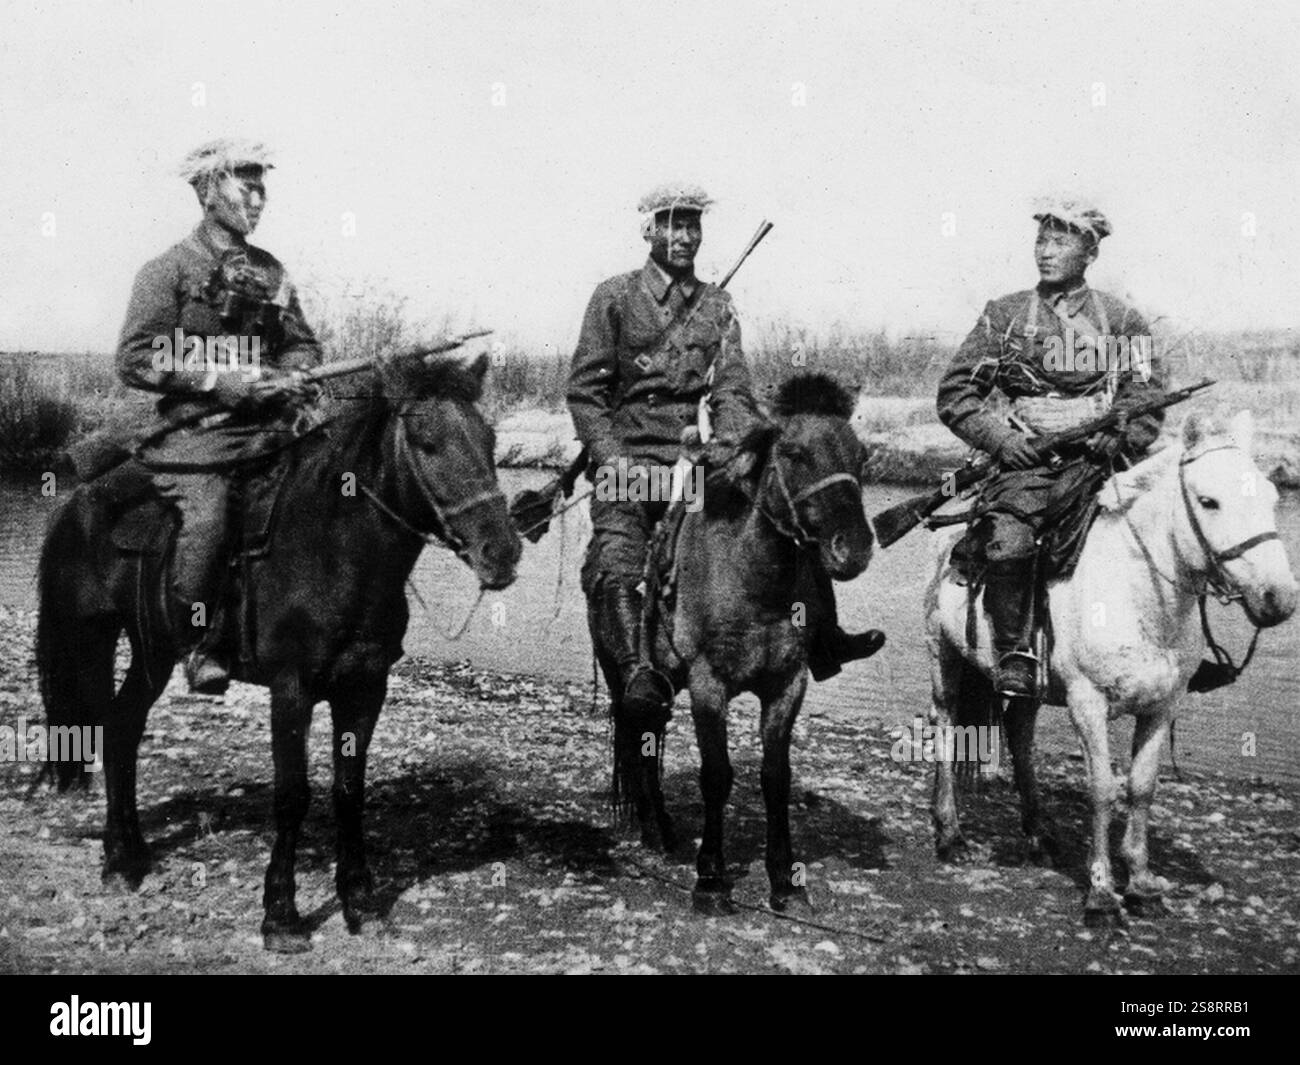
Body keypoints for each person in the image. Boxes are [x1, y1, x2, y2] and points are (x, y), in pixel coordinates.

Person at [567, 182, 883, 727]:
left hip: (698, 461)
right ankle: (638, 671)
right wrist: (613, 459)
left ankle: (823, 637)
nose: (685, 236)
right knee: (619, 555)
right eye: (672, 225)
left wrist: (745, 445)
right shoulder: (614, 298)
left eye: (693, 226)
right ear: (648, 230)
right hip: (629, 461)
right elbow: (586, 393)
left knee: (785, 516)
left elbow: (732, 390)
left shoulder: (717, 306)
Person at [936, 198, 1168, 697]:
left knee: (1180, 526)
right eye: (1041, 240)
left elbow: (1146, 395)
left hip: (1101, 461)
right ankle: (1014, 652)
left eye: (1060, 241)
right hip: (1028, 466)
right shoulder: (1006, 316)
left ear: (1090, 252)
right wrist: (1003, 440)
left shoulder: (1122, 319)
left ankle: (1179, 654)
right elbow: (956, 394)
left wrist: (1120, 433)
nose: (1045, 251)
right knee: (1011, 538)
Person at [116, 138, 323, 694]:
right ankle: (198, 641)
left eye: (263, 190)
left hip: (269, 429)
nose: (258, 200)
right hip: (196, 437)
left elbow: (302, 343)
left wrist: (296, 370)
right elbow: (135, 358)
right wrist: (216, 379)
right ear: (209, 192)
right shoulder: (168, 271)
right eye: (246, 188)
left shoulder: (271, 271)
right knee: (208, 519)